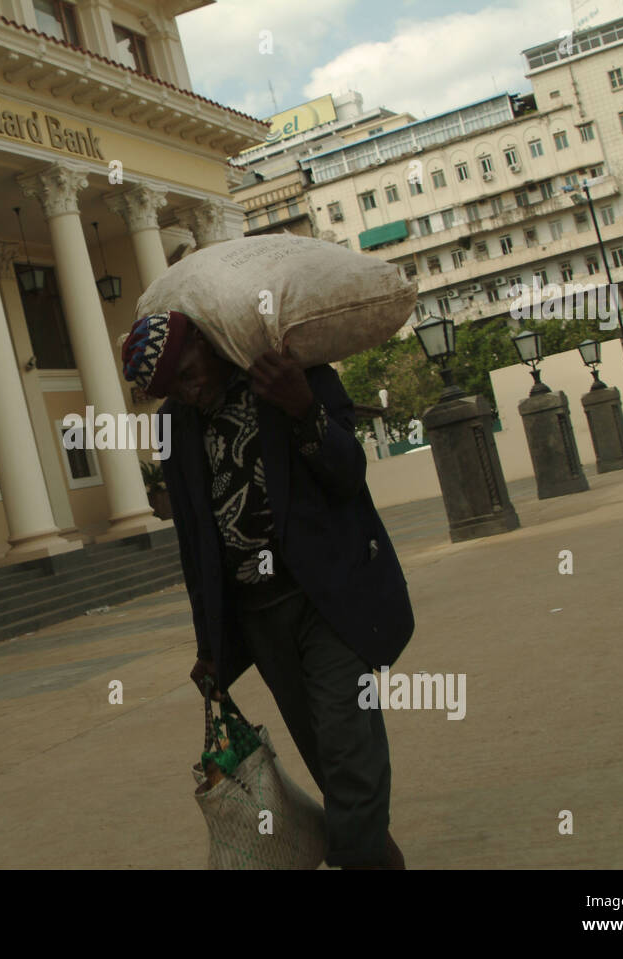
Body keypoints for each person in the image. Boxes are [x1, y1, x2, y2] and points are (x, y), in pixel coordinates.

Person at [121, 309, 415, 869]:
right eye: (173, 388)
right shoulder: (177, 426)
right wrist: (209, 645)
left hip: (328, 604)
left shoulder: (288, 375)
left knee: (352, 754)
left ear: (207, 344)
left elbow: (350, 473)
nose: (189, 390)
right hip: (260, 621)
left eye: (188, 372)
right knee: (331, 767)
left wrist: (303, 407)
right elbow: (196, 544)